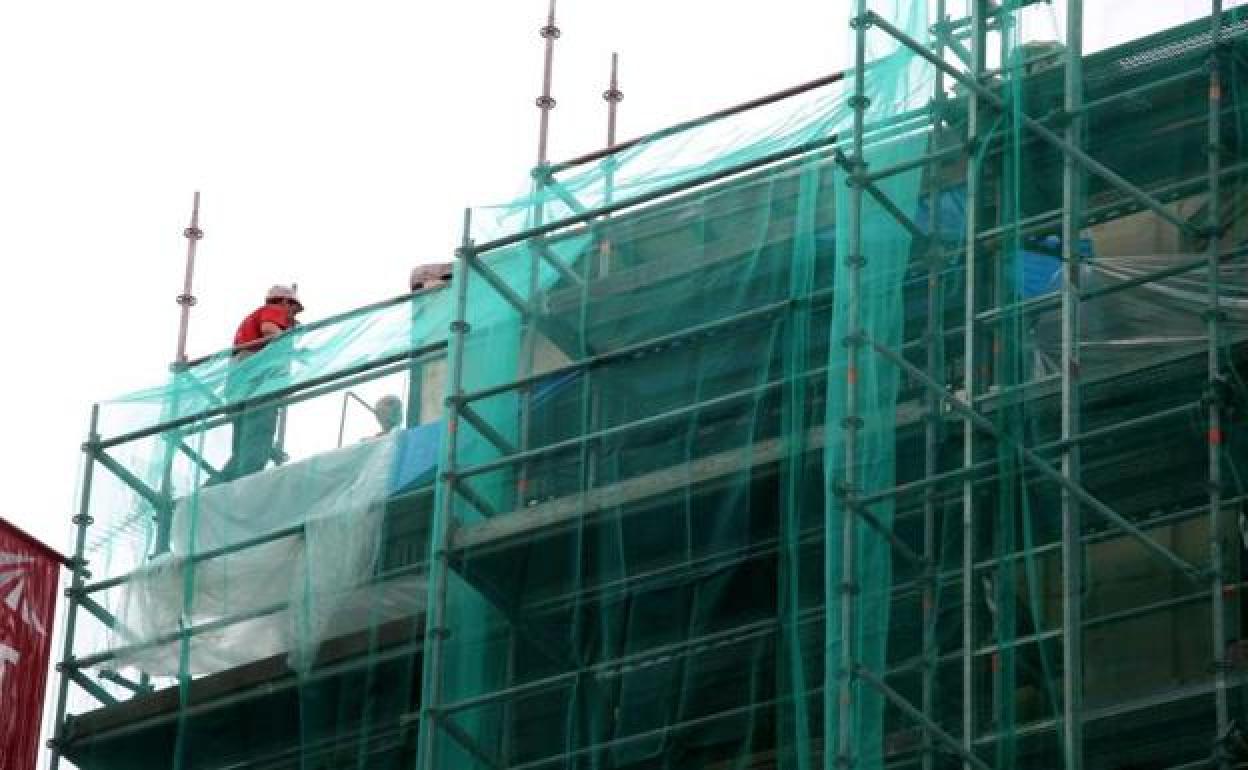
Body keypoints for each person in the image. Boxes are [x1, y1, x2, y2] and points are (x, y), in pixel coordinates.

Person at [214, 284, 304, 483]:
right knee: (254, 454)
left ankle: (214, 491)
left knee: (242, 451)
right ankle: (239, 492)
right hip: (258, 387)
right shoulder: (273, 310)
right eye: (294, 308)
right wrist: (292, 350)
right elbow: (269, 330)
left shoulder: (252, 319)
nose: (292, 315)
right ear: (284, 301)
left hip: (240, 390)